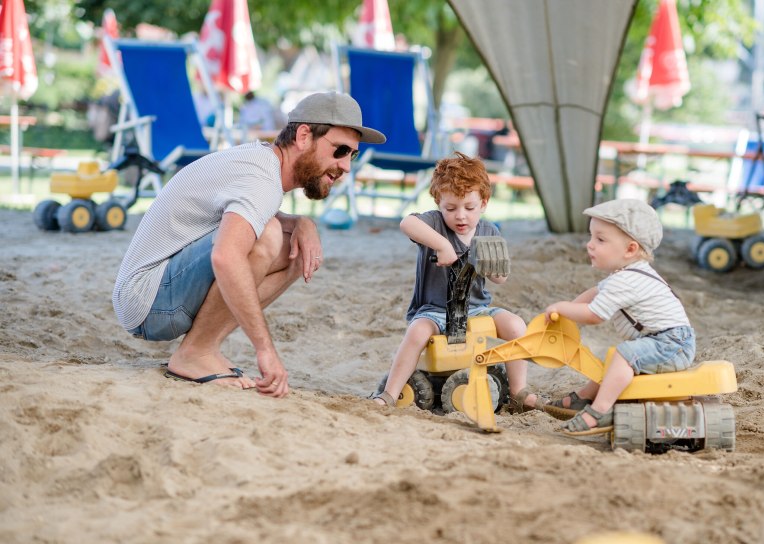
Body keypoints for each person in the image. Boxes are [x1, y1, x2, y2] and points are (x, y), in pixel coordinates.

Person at [112, 91, 386, 398]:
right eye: (340, 151)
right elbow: (226, 256)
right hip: (148, 301)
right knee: (267, 236)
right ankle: (196, 352)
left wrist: (301, 223)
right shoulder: (261, 178)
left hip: (154, 296)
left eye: (353, 155)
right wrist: (265, 350)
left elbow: (248, 213)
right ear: (304, 136)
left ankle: (200, 349)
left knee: (296, 250)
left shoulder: (261, 165)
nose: (346, 166)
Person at [371, 152, 535, 410]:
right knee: (417, 332)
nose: (460, 216)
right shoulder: (434, 224)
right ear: (438, 203)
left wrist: (492, 268)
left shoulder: (489, 230)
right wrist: (442, 245)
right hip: (434, 311)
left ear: (483, 203)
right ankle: (390, 394)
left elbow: (500, 278)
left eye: (469, 208)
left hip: (477, 309)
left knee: (516, 325)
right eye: (451, 208)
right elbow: (407, 223)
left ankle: (518, 393)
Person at [536, 199, 695, 435]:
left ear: (630, 249)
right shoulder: (626, 274)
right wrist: (566, 311)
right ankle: (584, 397)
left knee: (624, 355)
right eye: (591, 237)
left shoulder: (627, 280)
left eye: (600, 239)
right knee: (616, 357)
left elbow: (594, 315)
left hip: (672, 345)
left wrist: (561, 308)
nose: (590, 245)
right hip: (668, 341)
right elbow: (593, 294)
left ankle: (599, 411)